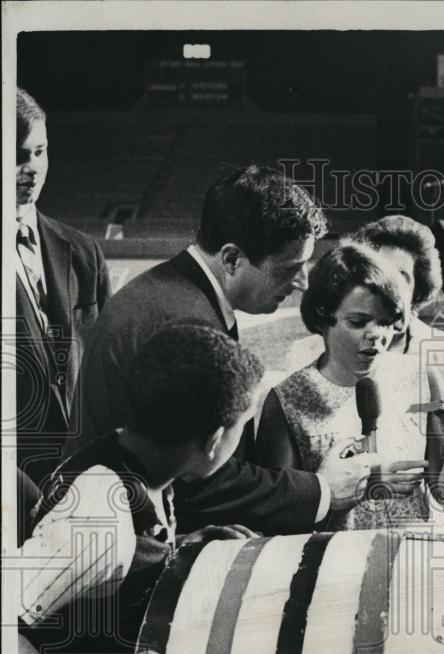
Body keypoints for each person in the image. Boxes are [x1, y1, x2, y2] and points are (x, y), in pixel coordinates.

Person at [75, 166, 395, 534]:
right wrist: (322, 490)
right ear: (231, 259)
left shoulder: (171, 292)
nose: (303, 282)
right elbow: (199, 472)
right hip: (119, 543)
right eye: (288, 267)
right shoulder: (186, 323)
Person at [18, 325, 262, 654]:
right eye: (244, 425)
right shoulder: (99, 518)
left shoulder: (136, 457)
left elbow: (112, 563)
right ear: (215, 439)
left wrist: (178, 550)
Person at [256, 243, 444, 529]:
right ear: (323, 316)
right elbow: (278, 519)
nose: (376, 335)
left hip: (409, 560)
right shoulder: (286, 399)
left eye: (387, 322)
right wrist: (362, 485)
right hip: (332, 562)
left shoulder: (421, 377)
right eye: (359, 321)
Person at [13, 88, 112, 540]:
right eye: (15, 155)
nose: (31, 168)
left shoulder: (83, 251)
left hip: (84, 492)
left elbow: (108, 378)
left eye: (39, 151)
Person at [286, 214, 444, 404]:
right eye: (378, 276)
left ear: (418, 288)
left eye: (401, 277)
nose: (388, 289)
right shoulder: (307, 351)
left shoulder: (442, 347)